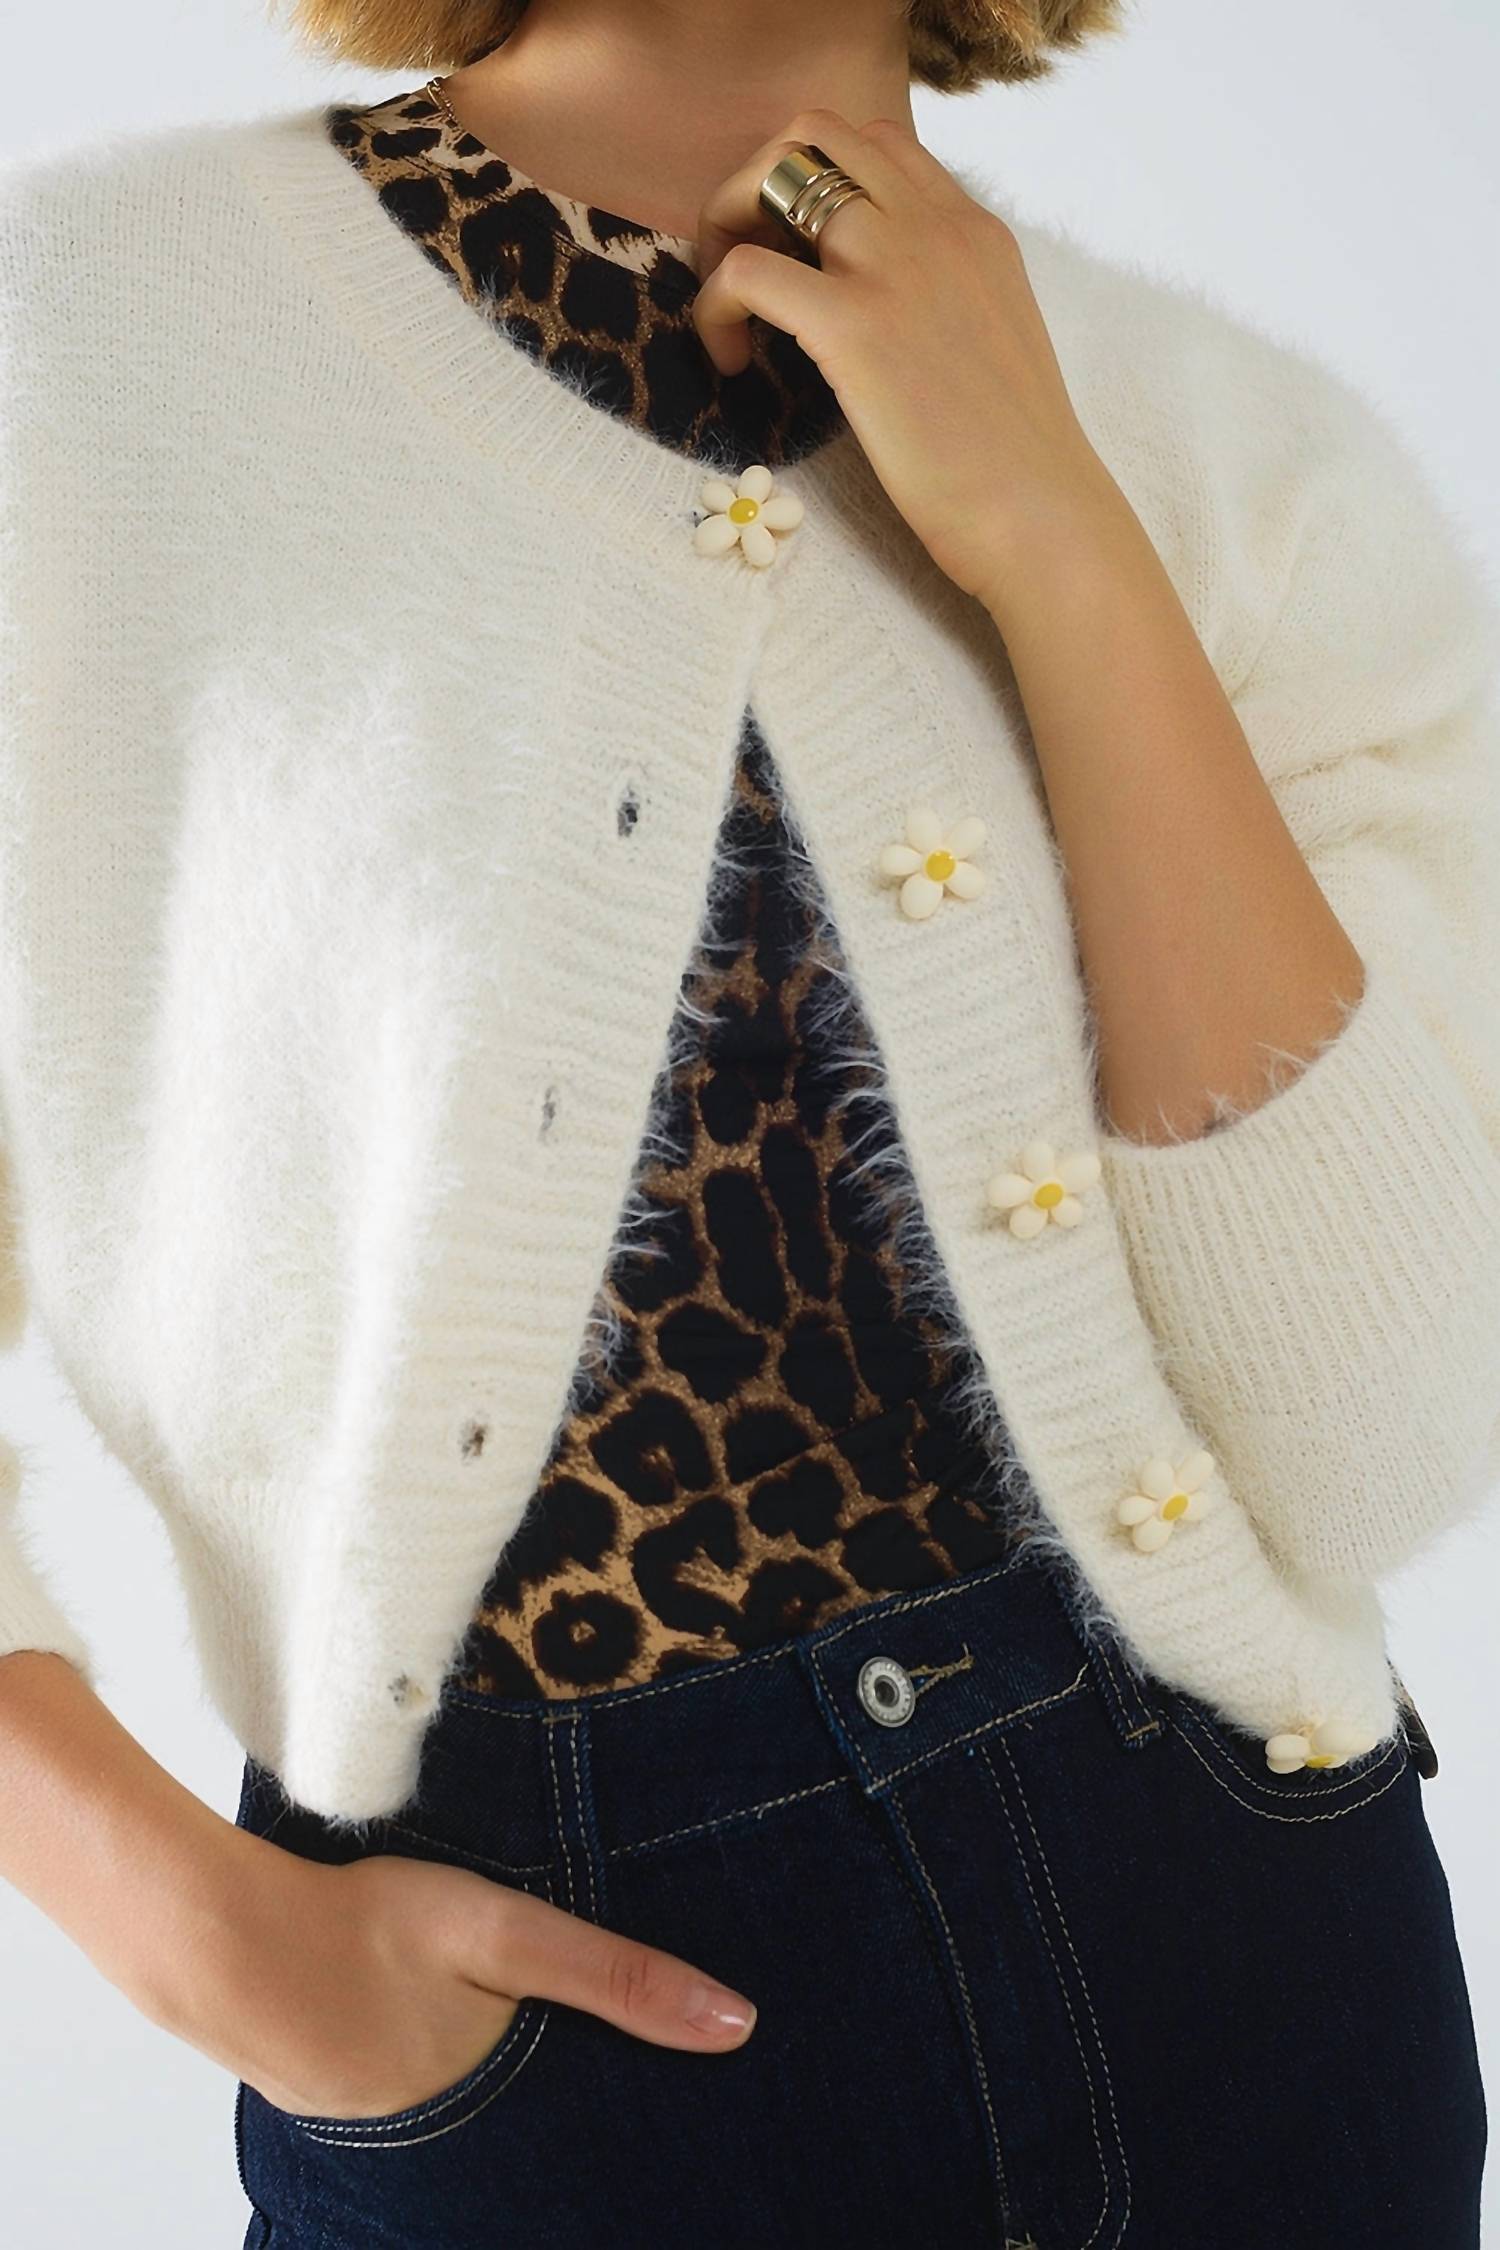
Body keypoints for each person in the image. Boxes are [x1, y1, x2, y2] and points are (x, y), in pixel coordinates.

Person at [0, 1, 1496, 2242]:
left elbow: (1382, 1443)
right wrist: (192, 1929)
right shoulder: (79, 346)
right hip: (543, 2043)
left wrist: (1064, 545)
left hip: (1250, 1956)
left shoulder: (1244, 465)